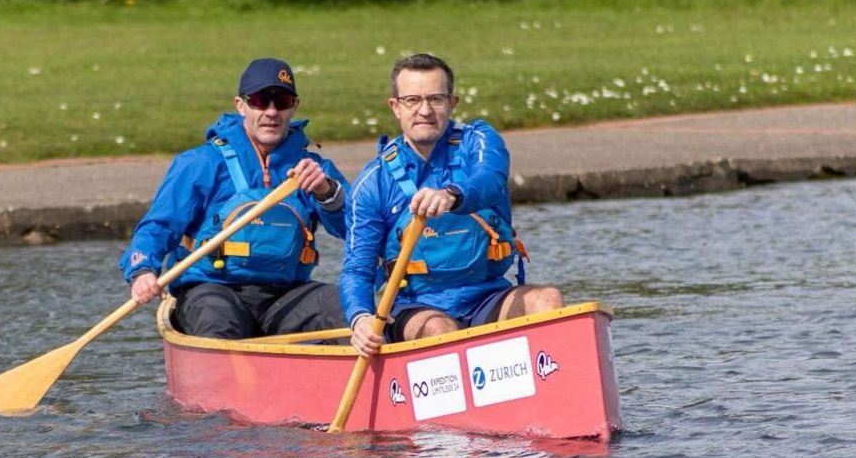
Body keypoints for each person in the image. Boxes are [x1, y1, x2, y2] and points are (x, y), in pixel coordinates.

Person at [340, 53, 563, 356]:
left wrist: (453, 195)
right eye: (412, 100)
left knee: (548, 300)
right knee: (441, 331)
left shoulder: (479, 141)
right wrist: (361, 318)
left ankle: (555, 387)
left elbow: (490, 179)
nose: (425, 111)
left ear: (453, 103)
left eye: (436, 99)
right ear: (395, 107)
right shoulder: (373, 183)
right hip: (418, 307)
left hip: (487, 296)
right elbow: (357, 271)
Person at [121, 57, 350, 339]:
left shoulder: (314, 169)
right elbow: (159, 226)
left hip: (286, 295)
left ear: (295, 106)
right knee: (218, 321)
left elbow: (355, 228)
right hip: (212, 289)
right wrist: (142, 269)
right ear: (240, 105)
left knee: (346, 308)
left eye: (282, 101)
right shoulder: (200, 163)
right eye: (259, 100)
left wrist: (327, 193)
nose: (271, 111)